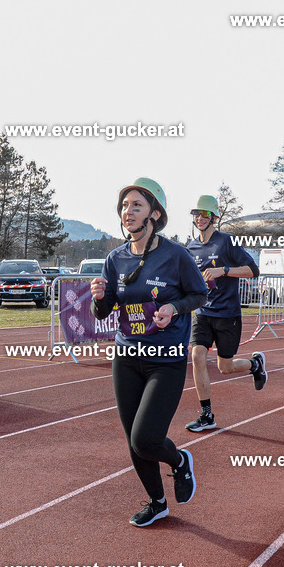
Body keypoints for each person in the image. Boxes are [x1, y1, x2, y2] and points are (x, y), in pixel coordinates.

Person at [90, 178, 208, 527]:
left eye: (137, 205)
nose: (128, 212)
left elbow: (199, 295)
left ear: (154, 214)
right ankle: (157, 502)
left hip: (165, 360)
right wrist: (100, 298)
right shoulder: (116, 258)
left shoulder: (176, 255)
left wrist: (173, 308)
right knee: (132, 440)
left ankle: (179, 461)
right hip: (126, 358)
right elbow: (104, 310)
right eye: (125, 206)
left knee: (146, 438)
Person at [184, 194, 266, 432]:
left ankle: (255, 364)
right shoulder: (191, 247)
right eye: (196, 214)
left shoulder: (227, 242)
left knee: (225, 368)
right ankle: (206, 414)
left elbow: (253, 270)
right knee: (198, 356)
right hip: (202, 313)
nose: (200, 218)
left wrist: (224, 270)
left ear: (214, 217)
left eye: (205, 214)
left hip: (228, 314)